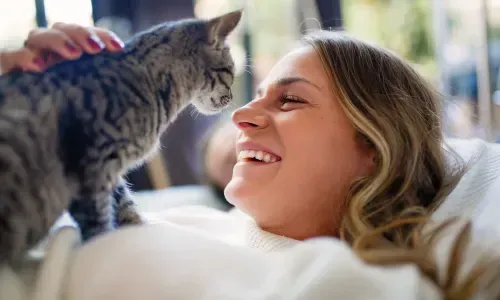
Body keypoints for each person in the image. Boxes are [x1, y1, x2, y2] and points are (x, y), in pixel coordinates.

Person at [2, 22, 500, 300]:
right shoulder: (197, 225)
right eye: (256, 96)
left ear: (373, 147)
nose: (240, 114)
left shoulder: (347, 285)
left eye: (291, 101)